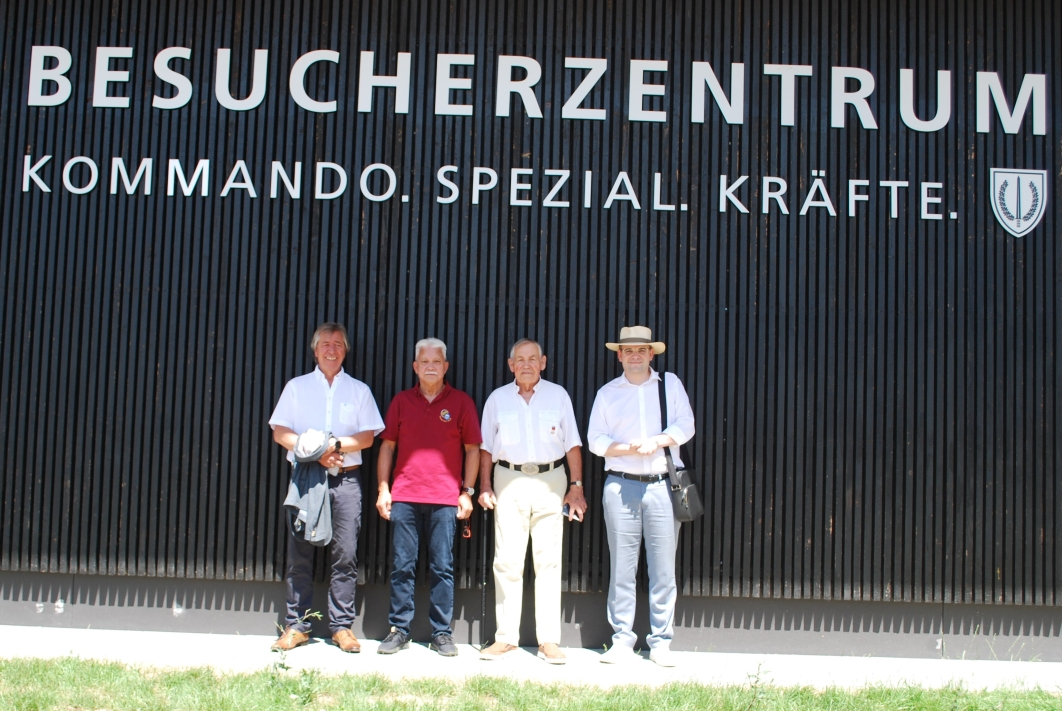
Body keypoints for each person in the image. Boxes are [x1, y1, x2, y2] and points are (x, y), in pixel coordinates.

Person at [268, 322, 385, 653]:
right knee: (300, 554)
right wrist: (317, 454)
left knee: (345, 555)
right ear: (315, 350)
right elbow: (280, 432)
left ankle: (341, 627)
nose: (331, 350)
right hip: (306, 479)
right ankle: (296, 626)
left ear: (345, 351)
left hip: (346, 480)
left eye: (338, 344)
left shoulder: (359, 390)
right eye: (325, 344)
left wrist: (333, 447)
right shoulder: (297, 387)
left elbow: (367, 437)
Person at [587, 325, 695, 667]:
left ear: (652, 354)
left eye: (642, 350)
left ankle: (660, 642)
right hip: (621, 486)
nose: (635, 356)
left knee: (663, 568)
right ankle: (622, 640)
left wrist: (656, 442)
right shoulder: (607, 393)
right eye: (629, 350)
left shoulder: (669, 385)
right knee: (622, 567)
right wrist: (628, 449)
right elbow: (595, 441)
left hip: (663, 486)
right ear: (620, 355)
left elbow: (686, 425)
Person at [478, 338, 586, 664]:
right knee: (507, 561)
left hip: (551, 479)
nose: (526, 364)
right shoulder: (497, 399)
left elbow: (572, 444)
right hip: (507, 479)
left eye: (532, 358)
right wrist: (485, 484)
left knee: (548, 562)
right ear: (511, 365)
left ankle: (549, 641)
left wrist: (576, 486)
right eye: (520, 360)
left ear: (543, 362)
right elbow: (486, 447)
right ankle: (505, 638)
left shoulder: (558, 396)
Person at [375, 338, 482, 656]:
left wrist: (467, 492)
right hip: (405, 497)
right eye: (425, 361)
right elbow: (387, 447)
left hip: (445, 499)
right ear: (415, 366)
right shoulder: (401, 401)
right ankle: (399, 630)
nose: (431, 366)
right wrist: (383, 488)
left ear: (446, 366)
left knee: (442, 568)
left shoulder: (461, 402)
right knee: (402, 566)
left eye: (437, 361)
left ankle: (442, 633)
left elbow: (473, 450)